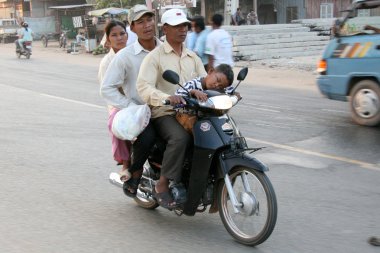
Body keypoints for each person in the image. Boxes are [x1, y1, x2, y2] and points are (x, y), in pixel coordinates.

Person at [136, 8, 207, 209]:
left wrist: (225, 91)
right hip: (164, 112)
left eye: (185, 25)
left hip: (191, 111)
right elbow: (143, 86)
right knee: (180, 138)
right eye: (177, 26)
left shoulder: (192, 57)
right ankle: (162, 184)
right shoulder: (155, 57)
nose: (183, 30)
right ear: (165, 29)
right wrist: (167, 98)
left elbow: (204, 81)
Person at [101, 4, 160, 196]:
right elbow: (107, 89)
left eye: (149, 20)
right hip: (136, 110)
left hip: (166, 107)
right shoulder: (122, 58)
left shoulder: (166, 50)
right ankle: (133, 171)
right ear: (133, 28)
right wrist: (132, 107)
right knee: (147, 136)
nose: (147, 25)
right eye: (140, 22)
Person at [98, 20, 130, 181]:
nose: (119, 38)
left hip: (140, 100)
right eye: (114, 35)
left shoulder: (134, 54)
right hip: (119, 105)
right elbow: (108, 92)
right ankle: (125, 164)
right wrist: (128, 106)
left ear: (128, 35)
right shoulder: (107, 62)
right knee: (117, 123)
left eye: (122, 34)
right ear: (108, 39)